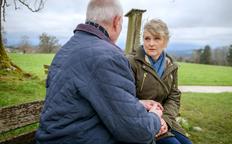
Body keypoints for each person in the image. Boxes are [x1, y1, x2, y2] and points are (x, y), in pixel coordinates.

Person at [35, 1, 164, 144]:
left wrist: (137, 104)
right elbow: (139, 132)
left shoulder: (66, 49)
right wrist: (155, 117)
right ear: (117, 21)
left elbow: (90, 98)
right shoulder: (109, 56)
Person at [127, 19, 193, 144]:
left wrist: (165, 120)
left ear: (166, 41)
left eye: (157, 38)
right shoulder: (132, 62)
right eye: (147, 38)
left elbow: (174, 96)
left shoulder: (171, 65)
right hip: (143, 121)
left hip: (165, 121)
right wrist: (154, 119)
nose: (151, 43)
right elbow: (124, 98)